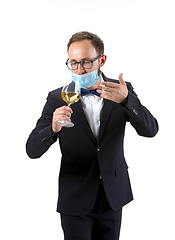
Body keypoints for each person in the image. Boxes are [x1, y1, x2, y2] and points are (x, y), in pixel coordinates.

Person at [26, 31, 159, 240]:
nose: (79, 70)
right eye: (73, 63)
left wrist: (127, 102)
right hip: (75, 198)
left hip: (112, 195)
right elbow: (32, 149)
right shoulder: (56, 98)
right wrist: (52, 129)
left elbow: (150, 130)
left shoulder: (121, 90)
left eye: (87, 62)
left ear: (102, 60)